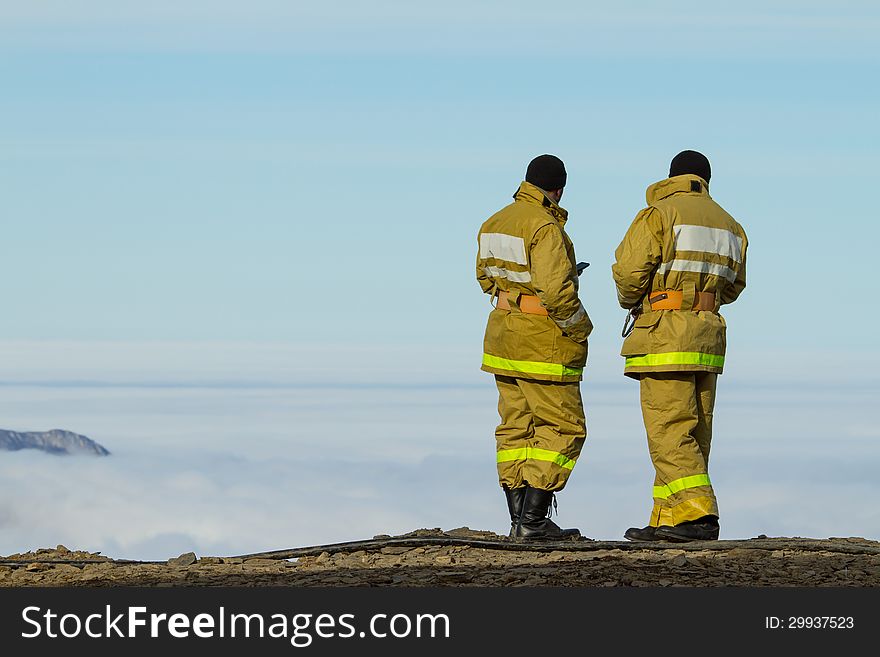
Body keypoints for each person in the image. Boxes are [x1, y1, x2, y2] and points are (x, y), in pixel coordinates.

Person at [612, 150, 748, 542]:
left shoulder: (659, 214)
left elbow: (628, 274)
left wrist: (647, 298)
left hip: (664, 332)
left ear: (672, 177)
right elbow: (735, 286)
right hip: (707, 336)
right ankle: (669, 519)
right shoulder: (730, 224)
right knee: (695, 432)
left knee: (669, 430)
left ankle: (699, 517)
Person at [476, 154, 593, 541]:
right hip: (542, 341)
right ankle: (534, 520)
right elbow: (557, 292)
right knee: (564, 427)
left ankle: (517, 520)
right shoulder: (545, 227)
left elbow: (484, 278)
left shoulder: (494, 221)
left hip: (502, 336)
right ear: (557, 189)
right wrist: (580, 328)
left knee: (515, 427)